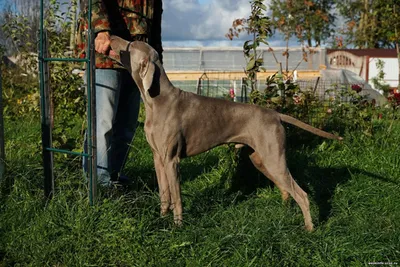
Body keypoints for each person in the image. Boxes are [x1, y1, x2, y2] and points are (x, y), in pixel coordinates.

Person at [75, 0, 163, 187]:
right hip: (105, 54)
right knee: (103, 121)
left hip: (137, 61)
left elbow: (154, 25)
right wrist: (101, 30)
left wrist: (157, 63)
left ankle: (113, 175)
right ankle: (98, 183)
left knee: (127, 125)